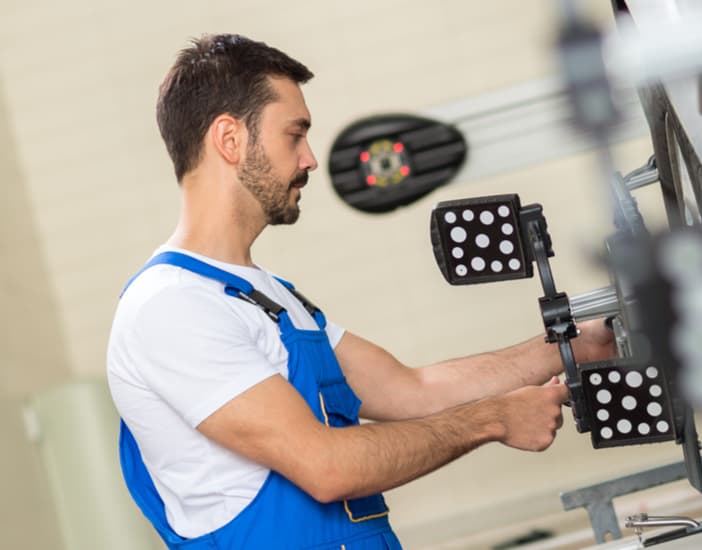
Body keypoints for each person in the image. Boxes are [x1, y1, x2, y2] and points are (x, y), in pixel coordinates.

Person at [106, 34, 616, 549]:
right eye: (294, 135)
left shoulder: (273, 297)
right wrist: (494, 419)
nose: (310, 160)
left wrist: (576, 345)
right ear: (230, 139)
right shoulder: (171, 306)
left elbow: (413, 390)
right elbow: (326, 466)